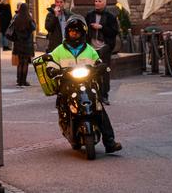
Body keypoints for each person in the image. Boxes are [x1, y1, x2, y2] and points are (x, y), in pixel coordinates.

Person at [49, 16, 122, 153]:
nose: (74, 34)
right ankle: (67, 124)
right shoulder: (59, 50)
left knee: (99, 108)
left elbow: (97, 61)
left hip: (87, 83)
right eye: (71, 31)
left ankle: (109, 142)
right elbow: (51, 61)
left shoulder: (89, 49)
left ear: (82, 33)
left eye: (76, 31)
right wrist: (51, 69)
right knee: (63, 102)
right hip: (68, 84)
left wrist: (101, 66)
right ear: (67, 32)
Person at [85, 0, 119, 105]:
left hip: (104, 48)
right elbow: (85, 29)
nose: (97, 3)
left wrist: (102, 27)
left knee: (104, 73)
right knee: (89, 72)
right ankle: (92, 95)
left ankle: (104, 96)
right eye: (95, 1)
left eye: (99, 1)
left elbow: (114, 32)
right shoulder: (89, 15)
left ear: (104, 3)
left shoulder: (110, 16)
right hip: (91, 48)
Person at [12, 3, 36, 87]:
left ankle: (19, 81)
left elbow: (12, 30)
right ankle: (24, 81)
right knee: (25, 63)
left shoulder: (16, 18)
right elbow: (34, 27)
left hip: (18, 44)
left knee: (20, 63)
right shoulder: (28, 18)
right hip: (27, 44)